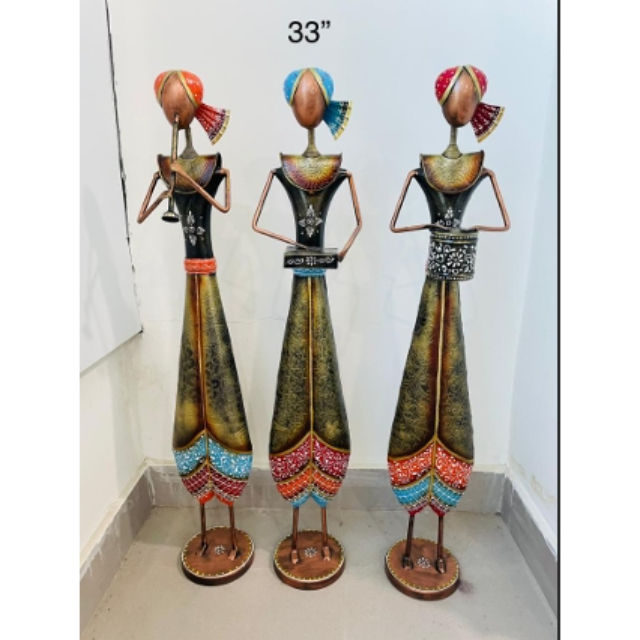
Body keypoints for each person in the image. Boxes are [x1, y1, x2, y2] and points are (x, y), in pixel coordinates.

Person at [385, 64, 510, 599]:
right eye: (456, 98)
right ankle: (417, 519)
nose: (461, 107)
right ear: (443, 105)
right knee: (424, 375)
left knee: (448, 375)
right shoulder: (424, 168)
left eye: (469, 99)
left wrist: (455, 231)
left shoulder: (480, 167)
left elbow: (501, 219)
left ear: (476, 104)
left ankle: (434, 524)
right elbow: (397, 221)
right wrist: (443, 229)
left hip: (448, 280)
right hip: (437, 280)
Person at [138, 70, 253, 584]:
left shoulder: (211, 167)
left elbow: (223, 203)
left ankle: (226, 501)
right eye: (168, 106)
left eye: (178, 105)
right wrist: (166, 182)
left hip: (207, 279)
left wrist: (187, 183)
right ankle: (205, 519)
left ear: (190, 107)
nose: (174, 114)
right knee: (193, 387)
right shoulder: (167, 168)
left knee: (218, 383)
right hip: (191, 281)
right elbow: (144, 212)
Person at [252, 67, 361, 587]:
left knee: (323, 382)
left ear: (325, 104)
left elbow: (358, 221)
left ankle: (315, 522)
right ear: (293, 106)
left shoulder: (338, 169)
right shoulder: (284, 169)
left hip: (313, 280)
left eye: (314, 99)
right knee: (297, 388)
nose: (308, 106)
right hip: (306, 281)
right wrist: (301, 248)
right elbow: (257, 221)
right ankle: (300, 525)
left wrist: (328, 253)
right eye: (301, 99)